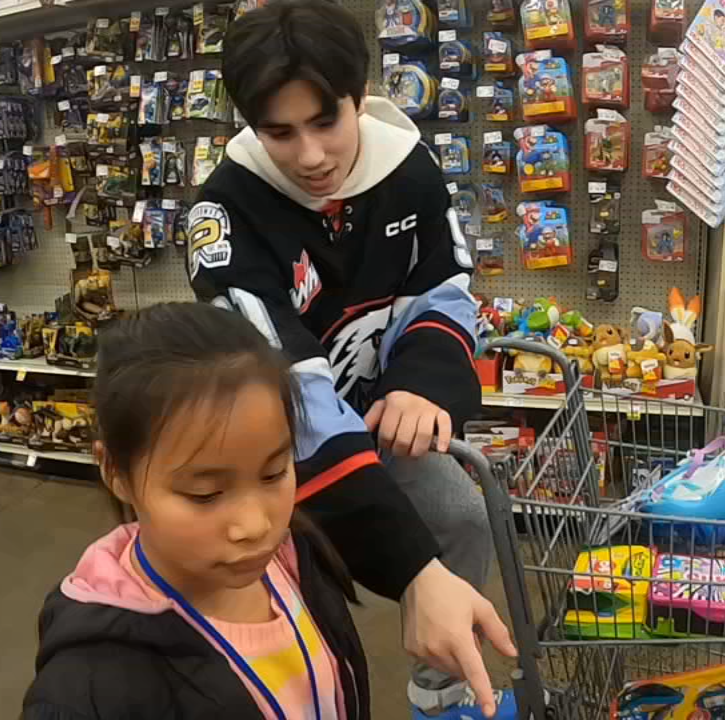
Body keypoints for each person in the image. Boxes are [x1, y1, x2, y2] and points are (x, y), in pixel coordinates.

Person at [185, 2, 514, 718]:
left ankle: (443, 693)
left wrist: (422, 384)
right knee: (301, 588)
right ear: (248, 124)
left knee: (462, 512)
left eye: (325, 121)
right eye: (279, 132)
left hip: (372, 410)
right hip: (270, 446)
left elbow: (445, 289)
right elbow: (290, 391)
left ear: (358, 97)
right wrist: (413, 571)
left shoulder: (412, 169)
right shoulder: (223, 216)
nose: (310, 156)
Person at [24, 302, 392, 718]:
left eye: (273, 474)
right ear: (116, 472)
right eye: (205, 494)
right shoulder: (88, 692)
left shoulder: (295, 557)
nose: (256, 526)